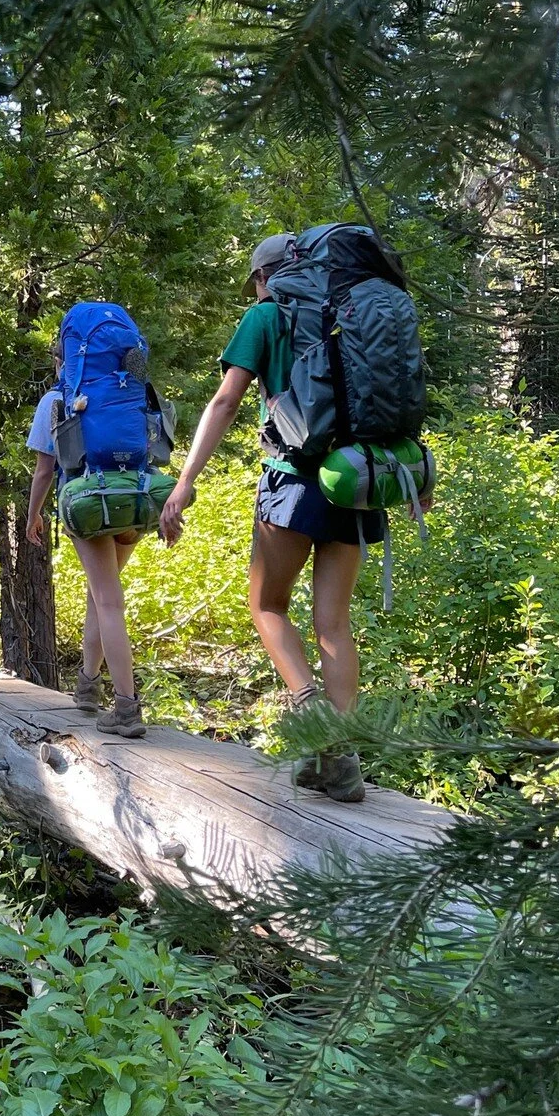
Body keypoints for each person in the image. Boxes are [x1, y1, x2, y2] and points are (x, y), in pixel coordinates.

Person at [158, 233, 384, 802]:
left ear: (264, 276)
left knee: (266, 605)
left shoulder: (265, 315)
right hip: (357, 479)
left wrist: (185, 480)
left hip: (294, 480)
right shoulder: (353, 311)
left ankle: (314, 719)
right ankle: (340, 756)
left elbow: (225, 401)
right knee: (334, 623)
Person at [25, 334, 147, 739]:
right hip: (133, 502)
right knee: (102, 595)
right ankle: (88, 686)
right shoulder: (129, 393)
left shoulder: (56, 399)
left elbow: (45, 470)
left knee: (108, 601)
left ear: (63, 361)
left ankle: (126, 708)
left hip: (90, 503)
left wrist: (33, 515)